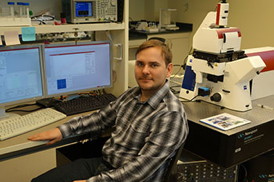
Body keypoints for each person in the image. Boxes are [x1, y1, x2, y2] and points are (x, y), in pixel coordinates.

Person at [29, 39, 188, 182]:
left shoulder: (170, 114)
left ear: (168, 70)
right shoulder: (132, 94)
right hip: (105, 165)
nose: (145, 71)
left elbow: (139, 170)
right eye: (140, 64)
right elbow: (100, 119)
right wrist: (62, 130)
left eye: (153, 65)